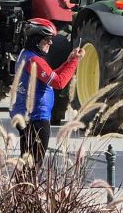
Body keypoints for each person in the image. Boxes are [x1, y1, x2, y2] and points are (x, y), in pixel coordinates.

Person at [9, 19, 83, 166]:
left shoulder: (26, 55)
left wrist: (68, 62)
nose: (51, 43)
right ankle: (27, 187)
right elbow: (59, 82)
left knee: (27, 161)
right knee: (35, 164)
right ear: (36, 40)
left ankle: (23, 187)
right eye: (47, 39)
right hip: (37, 117)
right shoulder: (35, 61)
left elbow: (50, 76)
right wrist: (75, 62)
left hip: (25, 115)